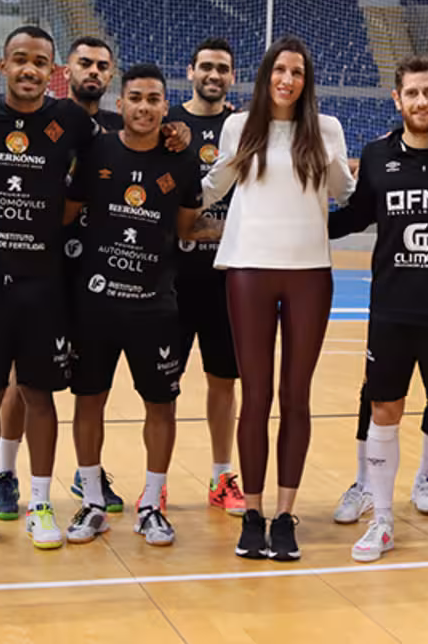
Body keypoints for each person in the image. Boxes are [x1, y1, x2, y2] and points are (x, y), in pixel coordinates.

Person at [0, 27, 104, 552]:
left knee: (39, 394)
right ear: (2, 64)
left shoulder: (70, 119)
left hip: (43, 282)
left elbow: (115, 152)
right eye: (20, 60)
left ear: (53, 71)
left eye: (40, 62)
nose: (30, 69)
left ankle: (41, 504)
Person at [330, 55, 428, 566]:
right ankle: (382, 521)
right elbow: (354, 216)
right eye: (413, 93)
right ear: (397, 99)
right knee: (384, 411)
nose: (422, 101)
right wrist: (297, 222)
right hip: (392, 312)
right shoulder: (377, 156)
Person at [205, 35, 354, 562]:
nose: (288, 79)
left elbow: (345, 193)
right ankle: (252, 512)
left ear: (306, 81)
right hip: (248, 268)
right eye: (280, 70)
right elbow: (213, 186)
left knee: (296, 396)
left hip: (309, 273)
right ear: (266, 74)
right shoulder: (239, 125)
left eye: (298, 72)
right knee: (256, 395)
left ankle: (285, 516)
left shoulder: (327, 129)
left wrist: (345, 163)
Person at [62, 63, 205, 548]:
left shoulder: (183, 161)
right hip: (95, 305)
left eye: (154, 99)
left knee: (161, 406)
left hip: (154, 307)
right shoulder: (96, 150)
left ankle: (151, 505)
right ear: (120, 103)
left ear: (167, 107)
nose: (144, 107)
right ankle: (93, 502)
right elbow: (67, 214)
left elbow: (186, 229)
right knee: (89, 400)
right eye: (136, 98)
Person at [166, 37, 247, 515]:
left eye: (222, 69)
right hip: (172, 281)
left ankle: (221, 476)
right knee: (164, 387)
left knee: (224, 381)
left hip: (225, 280)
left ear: (232, 77)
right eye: (206, 67)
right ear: (191, 71)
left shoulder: (242, 128)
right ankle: (157, 483)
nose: (214, 75)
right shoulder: (168, 125)